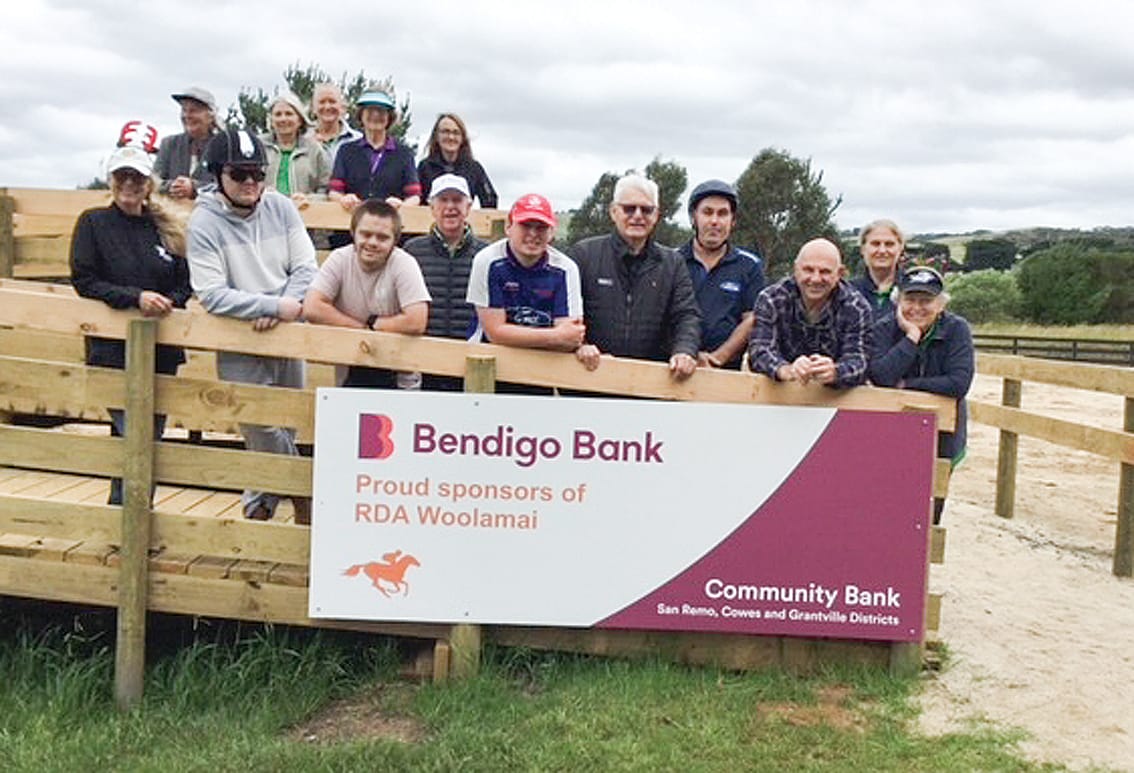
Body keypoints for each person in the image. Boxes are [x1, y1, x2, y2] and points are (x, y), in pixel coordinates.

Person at [187, 128, 318, 524]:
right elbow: (211, 294)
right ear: (217, 175)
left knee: (288, 419)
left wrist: (282, 309)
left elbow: (306, 267)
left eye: (257, 174)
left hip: (285, 329)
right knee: (259, 424)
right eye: (239, 174)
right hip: (240, 336)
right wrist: (272, 305)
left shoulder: (281, 208)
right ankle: (302, 492)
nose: (250, 183)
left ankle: (261, 501)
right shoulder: (203, 224)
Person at [70, 128, 192, 505]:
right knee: (134, 434)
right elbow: (84, 279)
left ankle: (128, 516)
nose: (129, 183)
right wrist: (136, 298)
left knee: (148, 437)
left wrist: (168, 302)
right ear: (112, 180)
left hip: (161, 348)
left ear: (148, 183)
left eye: (136, 177)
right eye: (122, 176)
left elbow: (185, 284)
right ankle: (127, 516)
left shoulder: (167, 228)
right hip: (111, 348)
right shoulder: (93, 222)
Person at [869, 265, 974, 524]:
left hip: (944, 432)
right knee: (888, 504)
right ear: (898, 301)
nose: (916, 307)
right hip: (892, 431)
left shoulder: (957, 330)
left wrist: (906, 385)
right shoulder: (884, 328)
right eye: (910, 299)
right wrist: (911, 338)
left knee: (930, 509)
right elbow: (881, 376)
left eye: (925, 301)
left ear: (940, 305)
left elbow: (958, 383)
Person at [569, 173, 700, 379]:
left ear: (656, 215)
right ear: (613, 212)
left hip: (652, 385)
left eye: (646, 210)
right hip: (589, 378)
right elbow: (567, 313)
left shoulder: (673, 263)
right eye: (629, 208)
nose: (638, 215)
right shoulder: (584, 255)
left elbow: (686, 316)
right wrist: (580, 345)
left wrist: (684, 350)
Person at [303, 199, 430, 389]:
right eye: (366, 234)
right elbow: (312, 307)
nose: (372, 242)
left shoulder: (405, 264)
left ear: (395, 241)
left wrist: (372, 324)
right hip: (349, 373)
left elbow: (417, 320)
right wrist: (360, 328)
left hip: (400, 379)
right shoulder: (339, 258)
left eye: (382, 237)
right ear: (353, 233)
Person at [467, 193, 586, 364]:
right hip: (488, 362)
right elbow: (494, 333)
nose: (533, 234)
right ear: (509, 227)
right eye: (525, 225)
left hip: (542, 366)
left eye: (541, 227)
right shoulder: (487, 261)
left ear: (551, 232)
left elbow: (570, 339)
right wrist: (555, 335)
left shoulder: (566, 269)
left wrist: (559, 338)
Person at [747, 238, 872, 387]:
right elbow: (759, 351)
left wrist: (835, 372)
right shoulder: (771, 299)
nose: (815, 278)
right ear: (795, 269)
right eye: (808, 270)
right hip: (780, 393)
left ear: (840, 273)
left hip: (835, 398)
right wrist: (787, 370)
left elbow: (860, 361)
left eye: (825, 272)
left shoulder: (856, 307)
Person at [403, 174, 487, 391]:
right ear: (431, 207)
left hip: (471, 364)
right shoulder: (412, 251)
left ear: (468, 207)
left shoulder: (486, 255)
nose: (450, 207)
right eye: (443, 200)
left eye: (457, 200)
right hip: (422, 364)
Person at [678, 179, 764, 370]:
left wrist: (717, 358)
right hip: (674, 366)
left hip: (724, 372)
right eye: (707, 212)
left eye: (722, 214)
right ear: (694, 217)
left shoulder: (750, 266)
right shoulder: (672, 261)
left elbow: (751, 319)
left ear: (732, 221)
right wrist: (684, 354)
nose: (714, 221)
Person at [328, 90, 421, 212]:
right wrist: (343, 199)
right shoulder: (346, 151)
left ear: (389, 117)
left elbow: (414, 197)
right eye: (370, 110)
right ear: (361, 115)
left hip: (390, 226)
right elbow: (334, 192)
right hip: (351, 224)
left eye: (381, 111)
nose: (376, 115)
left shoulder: (404, 154)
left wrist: (401, 206)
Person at [261, 91, 331, 208]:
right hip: (264, 213)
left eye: (289, 114)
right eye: (278, 114)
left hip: (305, 214)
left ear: (300, 120)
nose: (283, 119)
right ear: (271, 120)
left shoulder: (315, 150)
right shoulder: (259, 146)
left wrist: (308, 198)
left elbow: (326, 189)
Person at [417, 113, 498, 208]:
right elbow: (416, 199)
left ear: (462, 138)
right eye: (445, 132)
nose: (451, 137)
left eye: (456, 133)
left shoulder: (474, 168)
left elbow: (490, 199)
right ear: (436, 137)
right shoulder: (425, 167)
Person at [154, 86, 220, 200]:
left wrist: (195, 188)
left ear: (210, 116)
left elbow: (230, 187)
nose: (187, 116)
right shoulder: (169, 144)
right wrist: (172, 187)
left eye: (193, 111)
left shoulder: (223, 147)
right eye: (184, 110)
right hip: (171, 214)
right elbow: (153, 182)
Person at [850, 219, 905, 320]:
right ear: (863, 249)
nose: (882, 250)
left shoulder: (913, 288)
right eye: (875, 244)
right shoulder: (848, 291)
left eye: (889, 244)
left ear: (900, 248)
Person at [310, 82, 360, 164]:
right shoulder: (303, 140)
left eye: (332, 102)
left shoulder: (357, 140)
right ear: (313, 108)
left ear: (342, 107)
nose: (327, 107)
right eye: (322, 102)